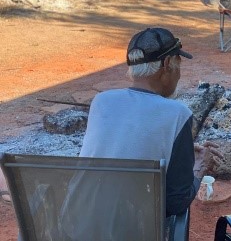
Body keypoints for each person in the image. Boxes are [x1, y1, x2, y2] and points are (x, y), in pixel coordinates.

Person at [60, 27, 222, 240]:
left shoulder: (101, 101)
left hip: (76, 225)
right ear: (166, 65)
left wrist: (169, 150)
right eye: (179, 64)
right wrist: (199, 168)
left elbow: (118, 146)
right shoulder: (177, 113)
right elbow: (175, 202)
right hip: (131, 230)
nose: (179, 74)